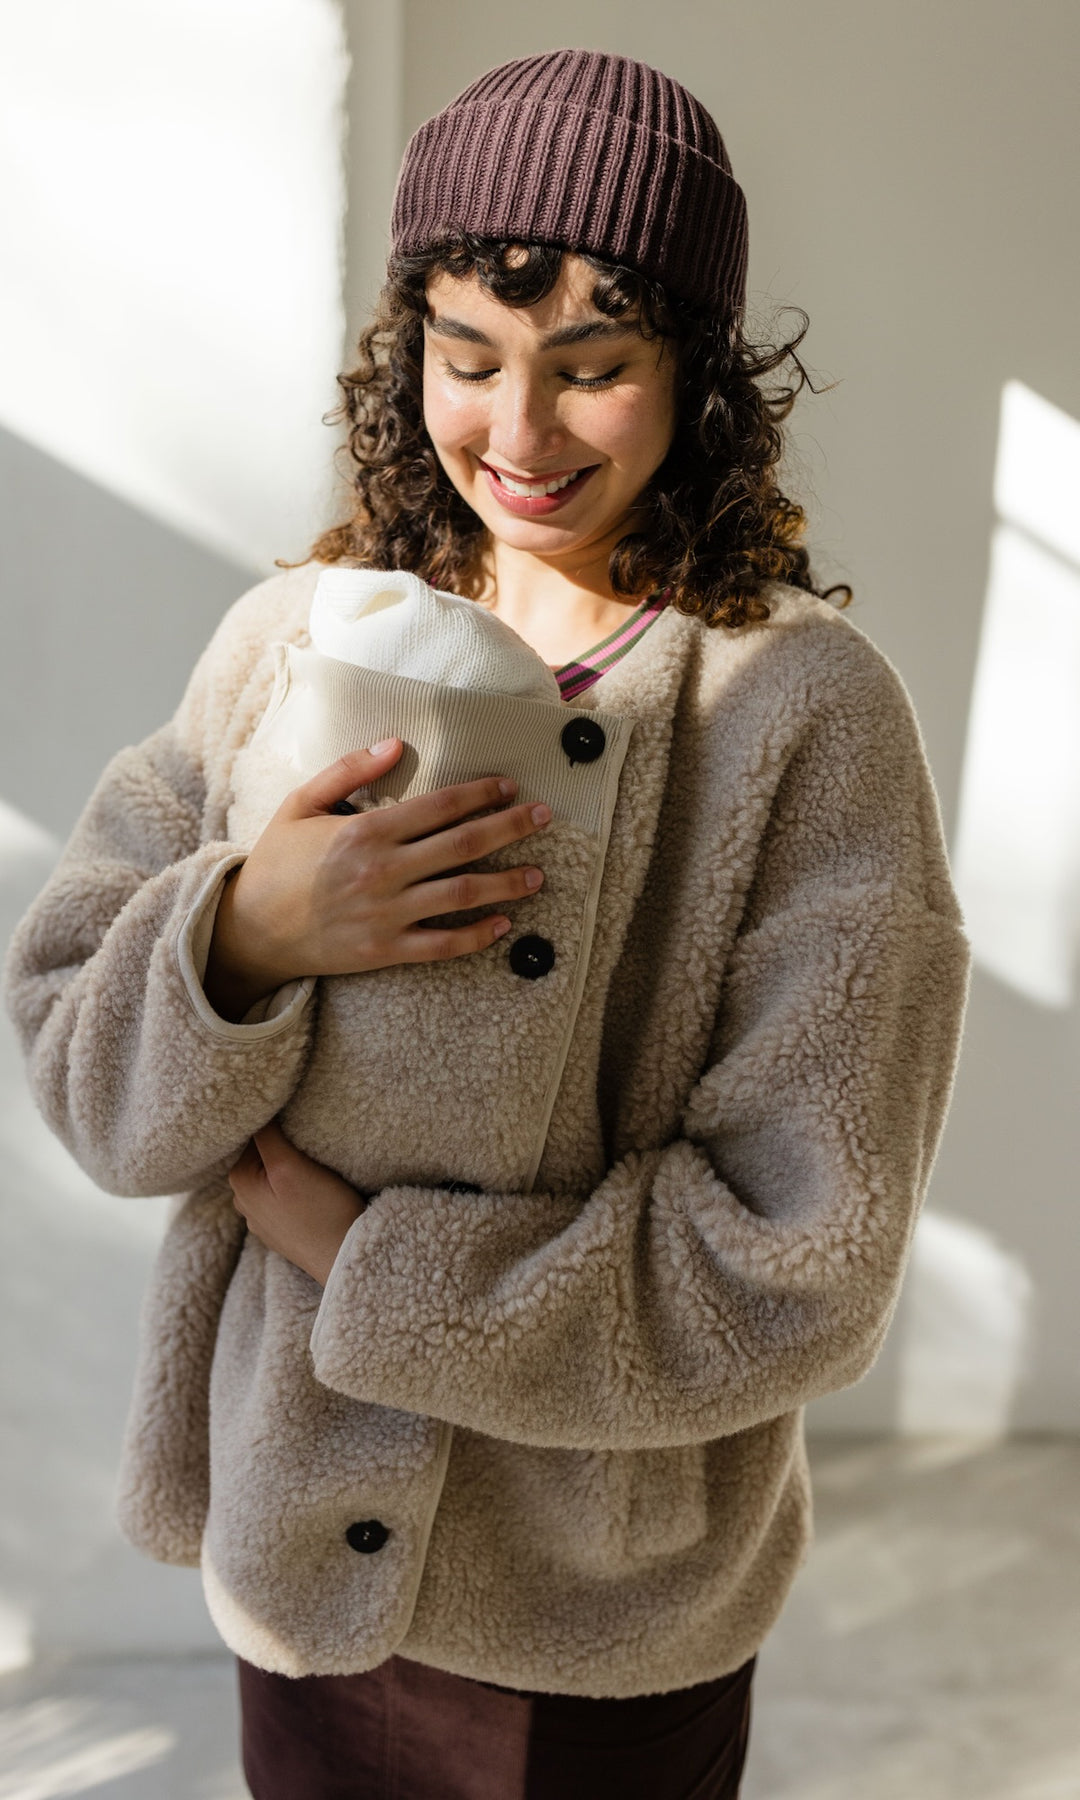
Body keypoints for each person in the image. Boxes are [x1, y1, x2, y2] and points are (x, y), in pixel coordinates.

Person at [3, 47, 971, 1800]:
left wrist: (362, 1264)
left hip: (596, 1612)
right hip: (301, 1563)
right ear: (410, 355)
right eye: (470, 361)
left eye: (593, 371)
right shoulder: (288, 639)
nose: (519, 437)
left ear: (699, 376)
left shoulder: (798, 718)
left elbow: (802, 1262)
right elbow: (73, 1035)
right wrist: (241, 937)